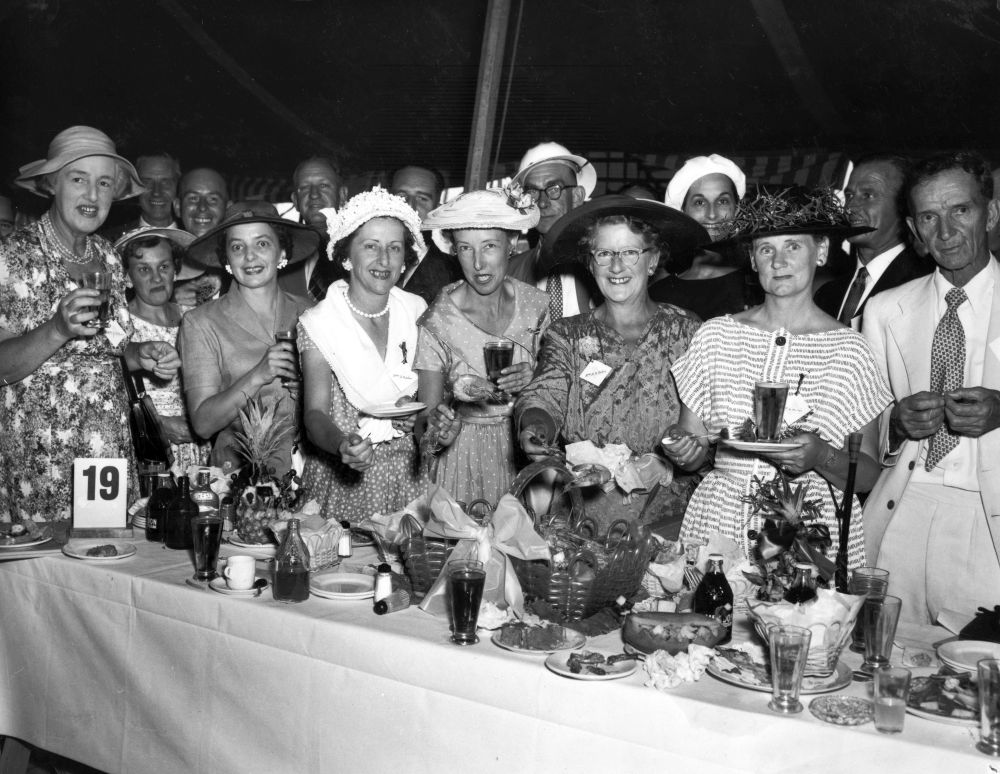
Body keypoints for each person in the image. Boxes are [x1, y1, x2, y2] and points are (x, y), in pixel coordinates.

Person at [665, 187, 892, 567]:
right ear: (752, 259)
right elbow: (692, 447)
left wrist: (821, 454)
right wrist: (683, 448)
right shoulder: (716, 336)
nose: (779, 260)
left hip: (809, 532)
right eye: (766, 249)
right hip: (720, 523)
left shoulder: (851, 351)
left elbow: (867, 475)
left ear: (820, 251)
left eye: (793, 246)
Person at [0, 126, 181, 521]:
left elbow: (109, 350)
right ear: (51, 184)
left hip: (108, 455)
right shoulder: (12, 257)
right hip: (44, 459)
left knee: (108, 569)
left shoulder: (109, 257)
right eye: (78, 179)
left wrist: (141, 354)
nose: (92, 195)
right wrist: (57, 330)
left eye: (103, 183)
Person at [516, 195, 708, 537]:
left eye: (630, 252)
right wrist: (535, 428)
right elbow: (544, 395)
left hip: (669, 518)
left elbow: (704, 430)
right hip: (587, 517)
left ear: (652, 261)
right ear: (591, 264)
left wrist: (692, 452)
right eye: (604, 254)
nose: (616, 267)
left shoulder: (687, 331)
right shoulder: (568, 336)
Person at [862, 151, 1000, 625]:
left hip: (987, 521)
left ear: (992, 213)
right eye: (929, 217)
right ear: (915, 230)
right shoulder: (884, 310)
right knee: (887, 669)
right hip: (903, 511)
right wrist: (896, 425)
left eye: (960, 210)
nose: (946, 231)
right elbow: (869, 432)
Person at [298, 187, 428, 521]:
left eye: (394, 248)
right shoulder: (320, 322)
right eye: (370, 246)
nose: (384, 260)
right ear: (345, 257)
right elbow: (314, 416)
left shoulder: (418, 311)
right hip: (345, 480)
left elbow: (431, 405)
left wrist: (419, 419)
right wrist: (343, 444)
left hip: (409, 477)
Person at [416, 187, 549, 507]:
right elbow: (425, 423)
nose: (478, 263)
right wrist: (438, 431)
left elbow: (556, 389)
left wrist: (534, 378)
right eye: (465, 248)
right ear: (453, 249)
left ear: (513, 243)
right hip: (462, 461)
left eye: (489, 245)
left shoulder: (536, 305)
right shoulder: (438, 319)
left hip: (524, 451)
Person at [179, 201, 318, 476]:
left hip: (311, 471)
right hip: (240, 480)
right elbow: (204, 423)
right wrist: (258, 374)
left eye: (262, 244)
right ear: (227, 260)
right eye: (237, 247)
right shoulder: (201, 322)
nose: (250, 257)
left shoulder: (312, 312)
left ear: (282, 251)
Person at [115, 225, 209, 474]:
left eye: (164, 267)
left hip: (198, 446)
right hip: (147, 446)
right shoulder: (119, 326)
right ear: (126, 277)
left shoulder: (195, 319)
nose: (156, 278)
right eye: (143, 269)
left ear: (175, 271)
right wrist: (160, 425)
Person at [814, 153, 933, 329]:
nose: (850, 207)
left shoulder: (925, 286)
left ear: (904, 205)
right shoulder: (826, 295)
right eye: (849, 195)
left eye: (868, 195)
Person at [650, 154, 760, 318]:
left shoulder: (758, 285)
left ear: (737, 210)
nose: (712, 214)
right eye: (699, 202)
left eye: (722, 201)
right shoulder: (660, 295)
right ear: (683, 213)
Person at [508, 142, 599, 319]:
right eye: (533, 192)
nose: (542, 202)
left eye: (553, 189)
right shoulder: (509, 272)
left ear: (577, 196)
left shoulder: (607, 266)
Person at [389, 164, 462, 305]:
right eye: (401, 196)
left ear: (437, 210)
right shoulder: (355, 261)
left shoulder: (457, 274)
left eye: (422, 198)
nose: (410, 206)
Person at [280, 156, 349, 301]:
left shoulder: (359, 249)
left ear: (342, 195)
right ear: (295, 201)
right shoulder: (281, 252)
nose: (314, 195)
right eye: (304, 187)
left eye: (323, 185)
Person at [172, 167, 230, 306]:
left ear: (228, 209)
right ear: (178, 207)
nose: (202, 207)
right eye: (193, 198)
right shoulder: (160, 261)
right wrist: (168, 304)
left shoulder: (242, 261)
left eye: (213, 199)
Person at [102, 152, 182, 241]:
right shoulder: (109, 243)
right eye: (147, 182)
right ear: (136, 185)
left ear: (179, 185)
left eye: (165, 182)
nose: (156, 192)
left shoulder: (195, 241)